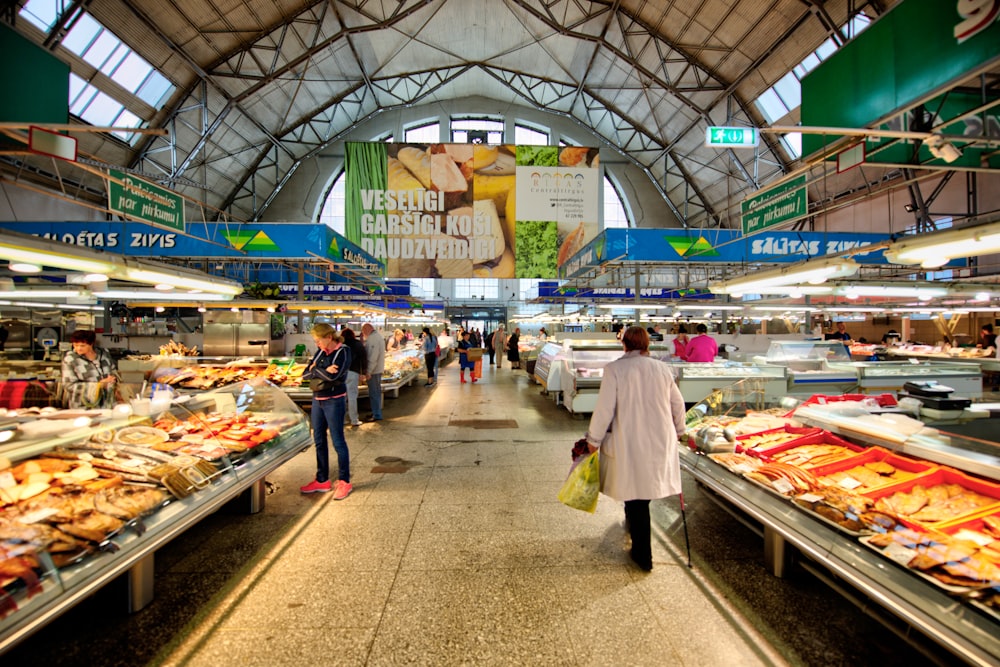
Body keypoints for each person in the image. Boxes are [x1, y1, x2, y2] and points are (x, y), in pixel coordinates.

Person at [584, 326, 685, 572]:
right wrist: (680, 431)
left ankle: (643, 555)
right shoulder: (662, 369)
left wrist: (593, 439)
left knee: (637, 495)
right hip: (659, 439)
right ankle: (633, 527)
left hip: (629, 440)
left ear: (625, 344)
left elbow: (605, 408)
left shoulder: (615, 369)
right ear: (647, 344)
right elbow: (678, 403)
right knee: (641, 492)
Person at [300, 323, 352, 499]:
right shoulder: (321, 352)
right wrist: (320, 370)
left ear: (329, 337)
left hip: (334, 400)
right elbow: (305, 374)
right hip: (317, 400)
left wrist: (316, 370)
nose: (317, 344)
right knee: (319, 440)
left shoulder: (343, 352)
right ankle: (322, 479)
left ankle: (344, 481)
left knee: (338, 441)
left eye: (318, 340)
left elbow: (334, 376)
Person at [62, 330, 119, 409]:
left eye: (82, 345)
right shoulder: (70, 360)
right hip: (83, 406)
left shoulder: (104, 354)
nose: (78, 348)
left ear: (91, 344)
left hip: (107, 404)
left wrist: (113, 379)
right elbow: (68, 385)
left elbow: (114, 371)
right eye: (75, 345)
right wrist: (98, 386)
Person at [341, 328, 366, 428]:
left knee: (342, 397)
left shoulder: (340, 345)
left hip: (341, 374)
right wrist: (363, 372)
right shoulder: (357, 344)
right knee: (352, 397)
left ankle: (342, 419)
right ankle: (354, 420)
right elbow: (363, 358)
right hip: (353, 372)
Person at [361, 323, 385, 422]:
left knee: (374, 393)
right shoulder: (378, 337)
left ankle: (377, 414)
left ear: (366, 330)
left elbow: (373, 357)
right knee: (376, 392)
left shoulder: (373, 339)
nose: (363, 334)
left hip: (374, 371)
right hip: (377, 370)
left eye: (363, 332)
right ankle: (376, 412)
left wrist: (369, 371)